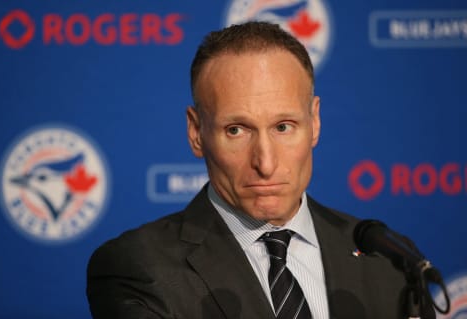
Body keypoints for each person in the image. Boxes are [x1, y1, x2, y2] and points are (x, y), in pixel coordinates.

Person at [87, 22, 435, 319]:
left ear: (314, 122)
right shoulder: (138, 268)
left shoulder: (388, 261)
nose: (265, 163)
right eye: (236, 130)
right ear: (196, 133)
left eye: (283, 127)